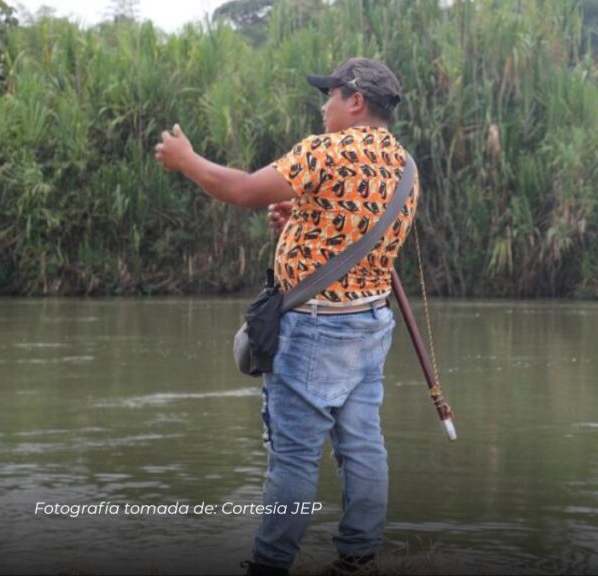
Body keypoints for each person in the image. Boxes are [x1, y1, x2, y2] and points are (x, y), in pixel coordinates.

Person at [155, 57, 418, 576]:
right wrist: (300, 222)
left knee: (294, 456)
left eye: (330, 96)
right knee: (363, 443)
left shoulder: (326, 150)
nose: (324, 106)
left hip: (315, 328)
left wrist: (186, 160)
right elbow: (355, 237)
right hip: (370, 324)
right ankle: (359, 556)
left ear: (356, 101)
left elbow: (242, 191)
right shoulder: (406, 167)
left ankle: (271, 564)